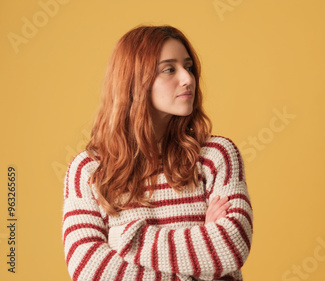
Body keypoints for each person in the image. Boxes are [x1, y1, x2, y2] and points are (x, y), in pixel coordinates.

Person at [62, 25, 253, 281]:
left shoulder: (217, 155)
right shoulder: (87, 170)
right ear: (134, 82)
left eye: (188, 67)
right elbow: (90, 270)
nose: (188, 78)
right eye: (169, 69)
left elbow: (231, 246)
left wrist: (130, 239)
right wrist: (202, 266)